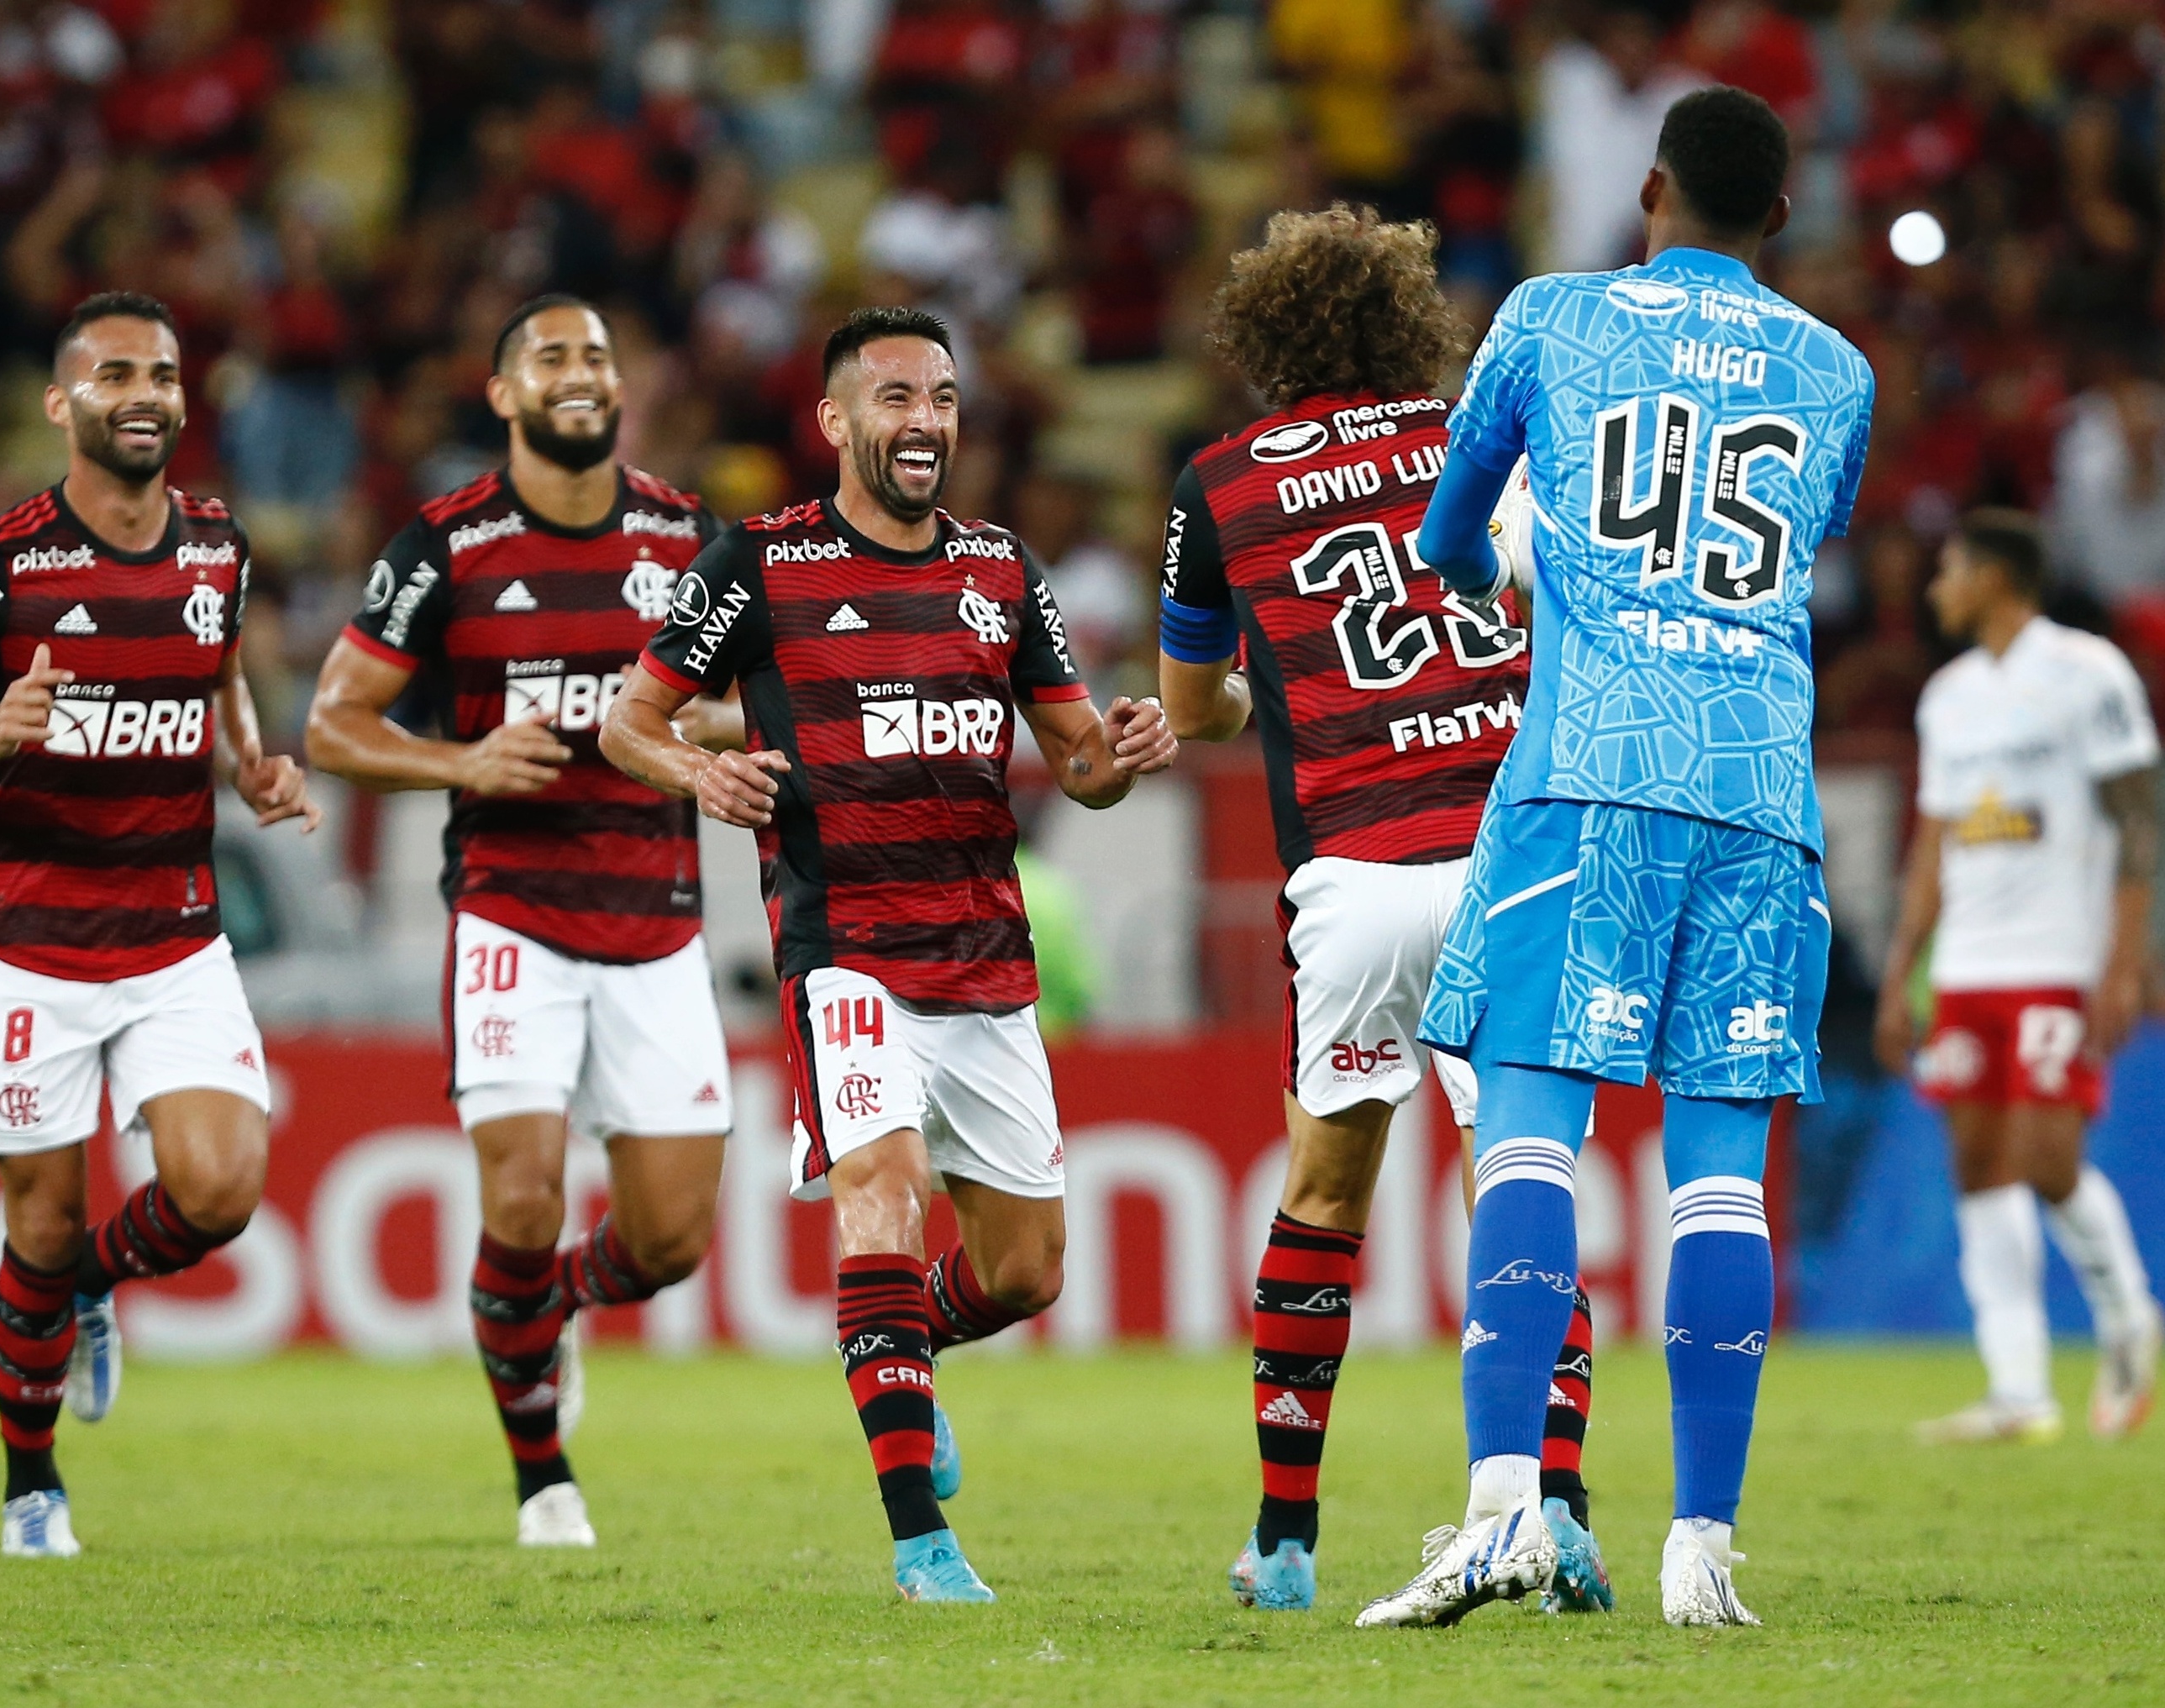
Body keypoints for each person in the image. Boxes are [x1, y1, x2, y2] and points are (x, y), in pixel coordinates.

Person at [1357, 87, 1874, 1630]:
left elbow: (1449, 541)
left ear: (1646, 188)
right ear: (1779, 218)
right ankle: (1700, 1548)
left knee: (1529, 1134)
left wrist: (1523, 551)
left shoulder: (1548, 316)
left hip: (1588, 774)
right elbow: (1795, 542)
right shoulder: (1836, 370)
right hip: (1761, 792)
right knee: (1722, 1178)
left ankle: (1502, 1509)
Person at [601, 305, 1175, 1602]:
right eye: (897, 399)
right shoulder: (754, 561)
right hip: (843, 946)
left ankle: (898, 1349)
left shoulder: (999, 570)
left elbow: (1075, 762)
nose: (924, 423)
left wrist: (1119, 753)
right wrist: (700, 769)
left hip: (980, 953)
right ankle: (922, 1540)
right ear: (835, 420)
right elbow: (627, 723)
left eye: (942, 400)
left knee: (1027, 1271)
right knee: (882, 1185)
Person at [1156, 205, 1610, 1616]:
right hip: (1505, 851)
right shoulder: (1492, 431)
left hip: (1352, 877)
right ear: (1405, 323)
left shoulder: (1217, 481)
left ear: (1268, 337)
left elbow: (1193, 707)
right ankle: (1565, 1516)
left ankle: (1284, 1542)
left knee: (1324, 1193)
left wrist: (1240, 694)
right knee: (1518, 1177)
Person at [0, 292, 318, 1560]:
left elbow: (224, 666)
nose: (144, 393)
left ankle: (87, 1290)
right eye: (115, 372)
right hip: (31, 936)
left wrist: (252, 761)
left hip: (176, 931)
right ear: (60, 402)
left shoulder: (216, 546)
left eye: (164, 373)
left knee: (222, 1184)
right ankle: (32, 1484)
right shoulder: (1, 561)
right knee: (38, 1219)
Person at [305, 294, 735, 1549]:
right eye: (550, 356)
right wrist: (463, 764)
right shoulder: (443, 546)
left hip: (656, 919)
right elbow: (335, 725)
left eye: (598, 353)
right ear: (502, 394)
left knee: (666, 1241)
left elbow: (745, 702)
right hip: (512, 914)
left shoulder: (683, 533)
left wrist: (683, 727)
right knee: (522, 1194)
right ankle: (542, 1473)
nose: (579, 373)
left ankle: (552, 1305)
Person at [1875, 511, 2162, 1444]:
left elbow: (2138, 819)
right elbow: (1932, 845)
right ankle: (2017, 1389)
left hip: (2055, 956)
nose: (1933, 590)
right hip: (1966, 964)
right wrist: (1899, 970)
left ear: (1994, 577)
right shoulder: (1947, 694)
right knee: (1975, 1163)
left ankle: (2126, 1316)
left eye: (1947, 570)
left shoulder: (2087, 672)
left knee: (2045, 1159)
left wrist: (2123, 958)